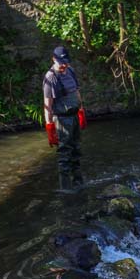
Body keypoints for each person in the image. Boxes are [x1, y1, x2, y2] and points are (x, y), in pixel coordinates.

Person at [43, 45, 87, 193]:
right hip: (62, 120)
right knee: (65, 153)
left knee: (76, 149)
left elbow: (77, 91)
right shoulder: (50, 78)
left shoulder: (71, 71)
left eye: (66, 62)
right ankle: (66, 188)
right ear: (53, 59)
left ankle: (79, 182)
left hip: (74, 116)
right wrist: (49, 127)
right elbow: (47, 105)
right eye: (61, 63)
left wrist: (81, 110)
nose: (64, 66)